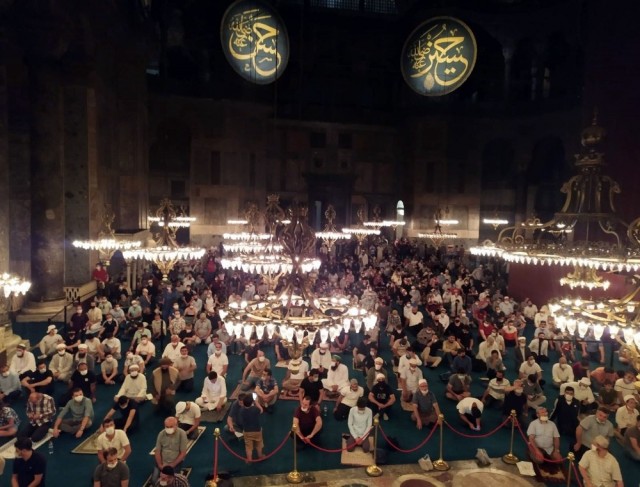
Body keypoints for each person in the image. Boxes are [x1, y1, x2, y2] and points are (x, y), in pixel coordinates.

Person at [152, 417, 188, 484]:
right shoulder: (161, 434)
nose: (169, 428)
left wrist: (172, 465)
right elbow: (157, 451)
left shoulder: (182, 434)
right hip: (162, 462)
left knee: (172, 481)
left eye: (171, 426)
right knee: (154, 481)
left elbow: (183, 453)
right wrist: (160, 465)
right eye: (167, 427)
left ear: (176, 425)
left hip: (175, 463)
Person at [240, 394, 264, 463]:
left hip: (247, 431)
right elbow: (261, 410)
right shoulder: (255, 409)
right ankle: (260, 456)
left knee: (248, 446)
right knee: (259, 444)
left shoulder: (242, 410)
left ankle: (249, 459)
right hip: (257, 430)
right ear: (252, 403)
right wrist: (256, 402)